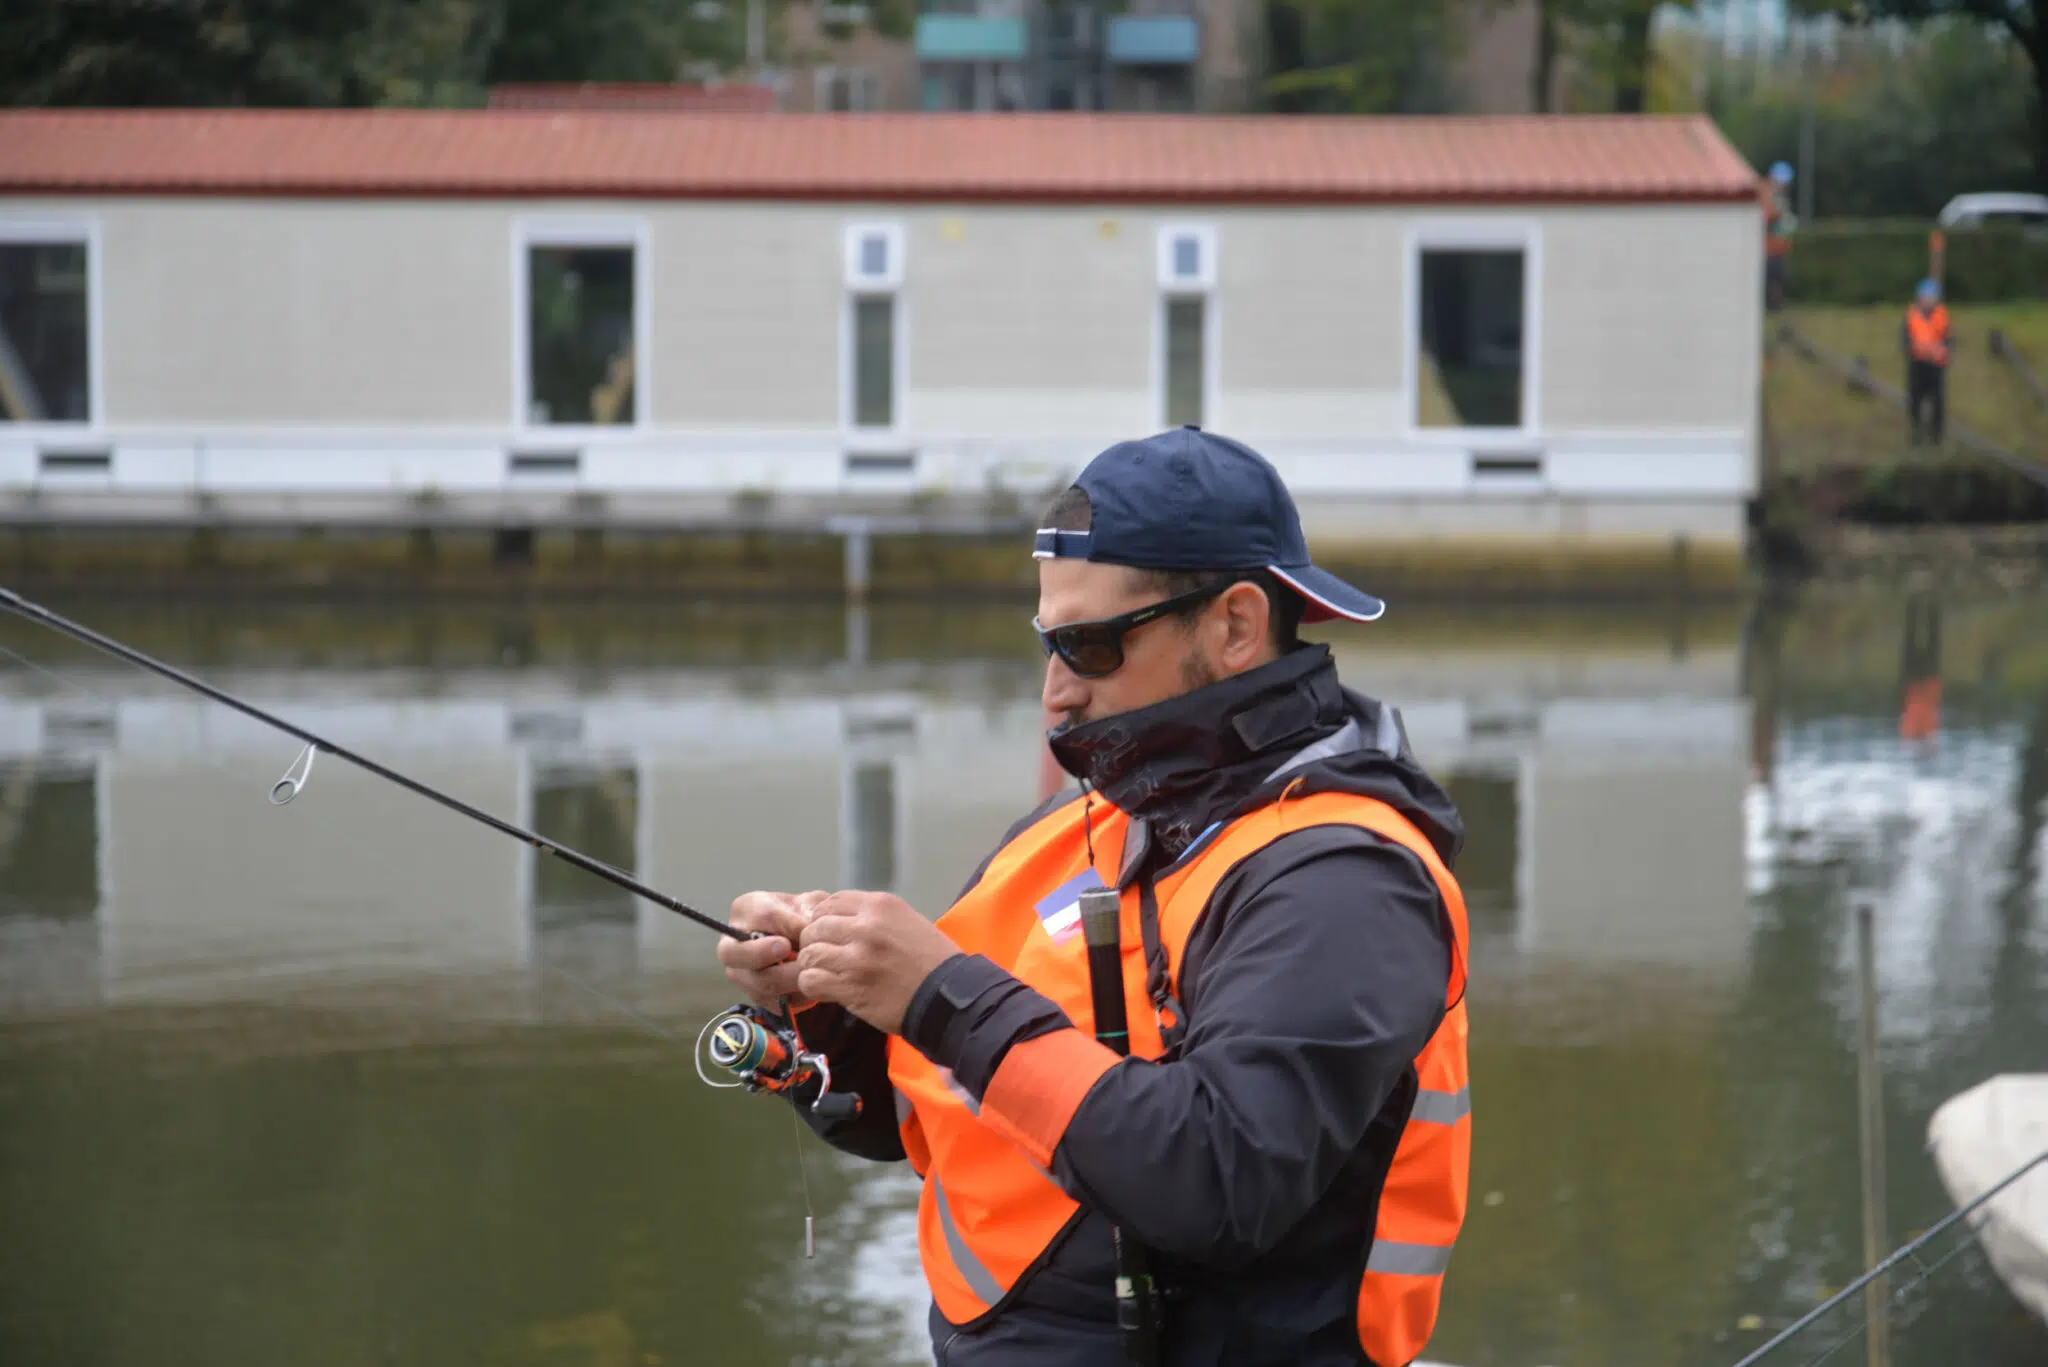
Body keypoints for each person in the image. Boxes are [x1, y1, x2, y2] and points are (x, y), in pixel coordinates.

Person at [719, 426, 1472, 1367]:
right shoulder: (1074, 828)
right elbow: (927, 1110)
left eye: (1089, 644)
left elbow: (1218, 1180)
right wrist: (823, 1006)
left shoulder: (1345, 878)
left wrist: (938, 991)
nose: (1056, 693)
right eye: (1048, 643)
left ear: (1236, 625)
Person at [1902, 277, 1953, 446]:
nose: (1928, 300)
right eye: (1925, 297)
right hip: (1917, 365)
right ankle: (1916, 434)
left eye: (1931, 297)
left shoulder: (1942, 316)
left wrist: (1944, 352)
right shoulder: (1911, 316)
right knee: (1915, 400)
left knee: (1938, 402)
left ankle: (1936, 438)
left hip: (1936, 366)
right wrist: (1910, 350)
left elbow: (1949, 340)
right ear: (1919, 298)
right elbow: (1904, 341)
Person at [1762, 161, 1798, 312]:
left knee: (1779, 278)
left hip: (1778, 248)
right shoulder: (1765, 193)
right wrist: (1778, 214)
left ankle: (1776, 306)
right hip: (1768, 248)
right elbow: (1767, 217)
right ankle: (1770, 306)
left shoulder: (1779, 196)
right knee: (1770, 278)